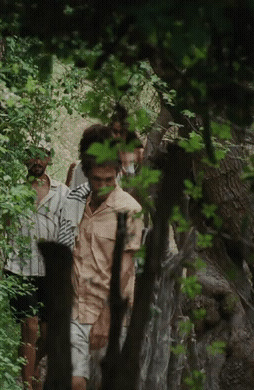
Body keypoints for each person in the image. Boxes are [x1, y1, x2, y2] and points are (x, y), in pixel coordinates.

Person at [60, 124, 145, 390]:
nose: (105, 186)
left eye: (111, 179)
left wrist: (105, 319)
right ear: (86, 175)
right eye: (99, 180)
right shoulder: (74, 203)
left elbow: (124, 270)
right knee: (74, 383)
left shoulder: (129, 210)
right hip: (75, 309)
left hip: (111, 313)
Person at [4, 142, 70, 390]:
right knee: (29, 327)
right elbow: (4, 226)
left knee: (50, 334)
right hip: (20, 267)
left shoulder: (63, 193)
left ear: (50, 159)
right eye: (31, 156)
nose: (36, 161)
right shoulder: (15, 192)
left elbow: (69, 231)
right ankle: (30, 384)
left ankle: (25, 364)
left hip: (51, 270)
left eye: (41, 156)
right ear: (25, 160)